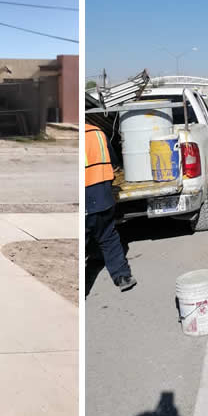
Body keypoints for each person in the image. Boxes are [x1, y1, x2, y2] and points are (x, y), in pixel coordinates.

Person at [85, 123, 136, 291]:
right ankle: (123, 277)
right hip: (103, 193)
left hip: (86, 194)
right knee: (108, 235)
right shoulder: (97, 131)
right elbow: (113, 160)